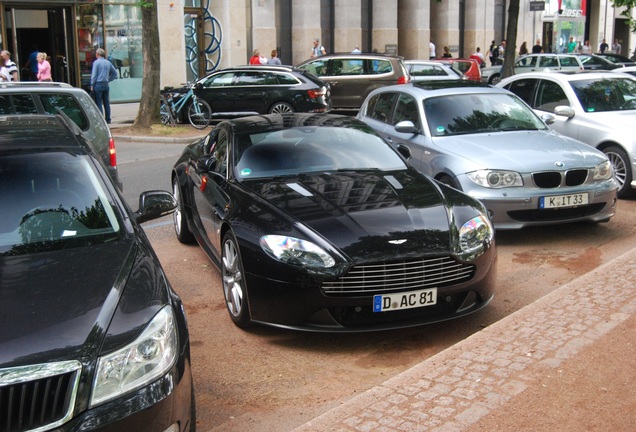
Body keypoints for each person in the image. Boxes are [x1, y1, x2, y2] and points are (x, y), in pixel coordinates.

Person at [90, 48, 118, 124]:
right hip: (106, 84)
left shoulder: (96, 63)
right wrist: (109, 79)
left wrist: (92, 84)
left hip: (98, 84)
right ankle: (108, 119)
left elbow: (94, 75)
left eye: (96, 53)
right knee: (106, 102)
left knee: (99, 102)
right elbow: (115, 73)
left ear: (98, 54)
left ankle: (101, 120)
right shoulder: (108, 62)